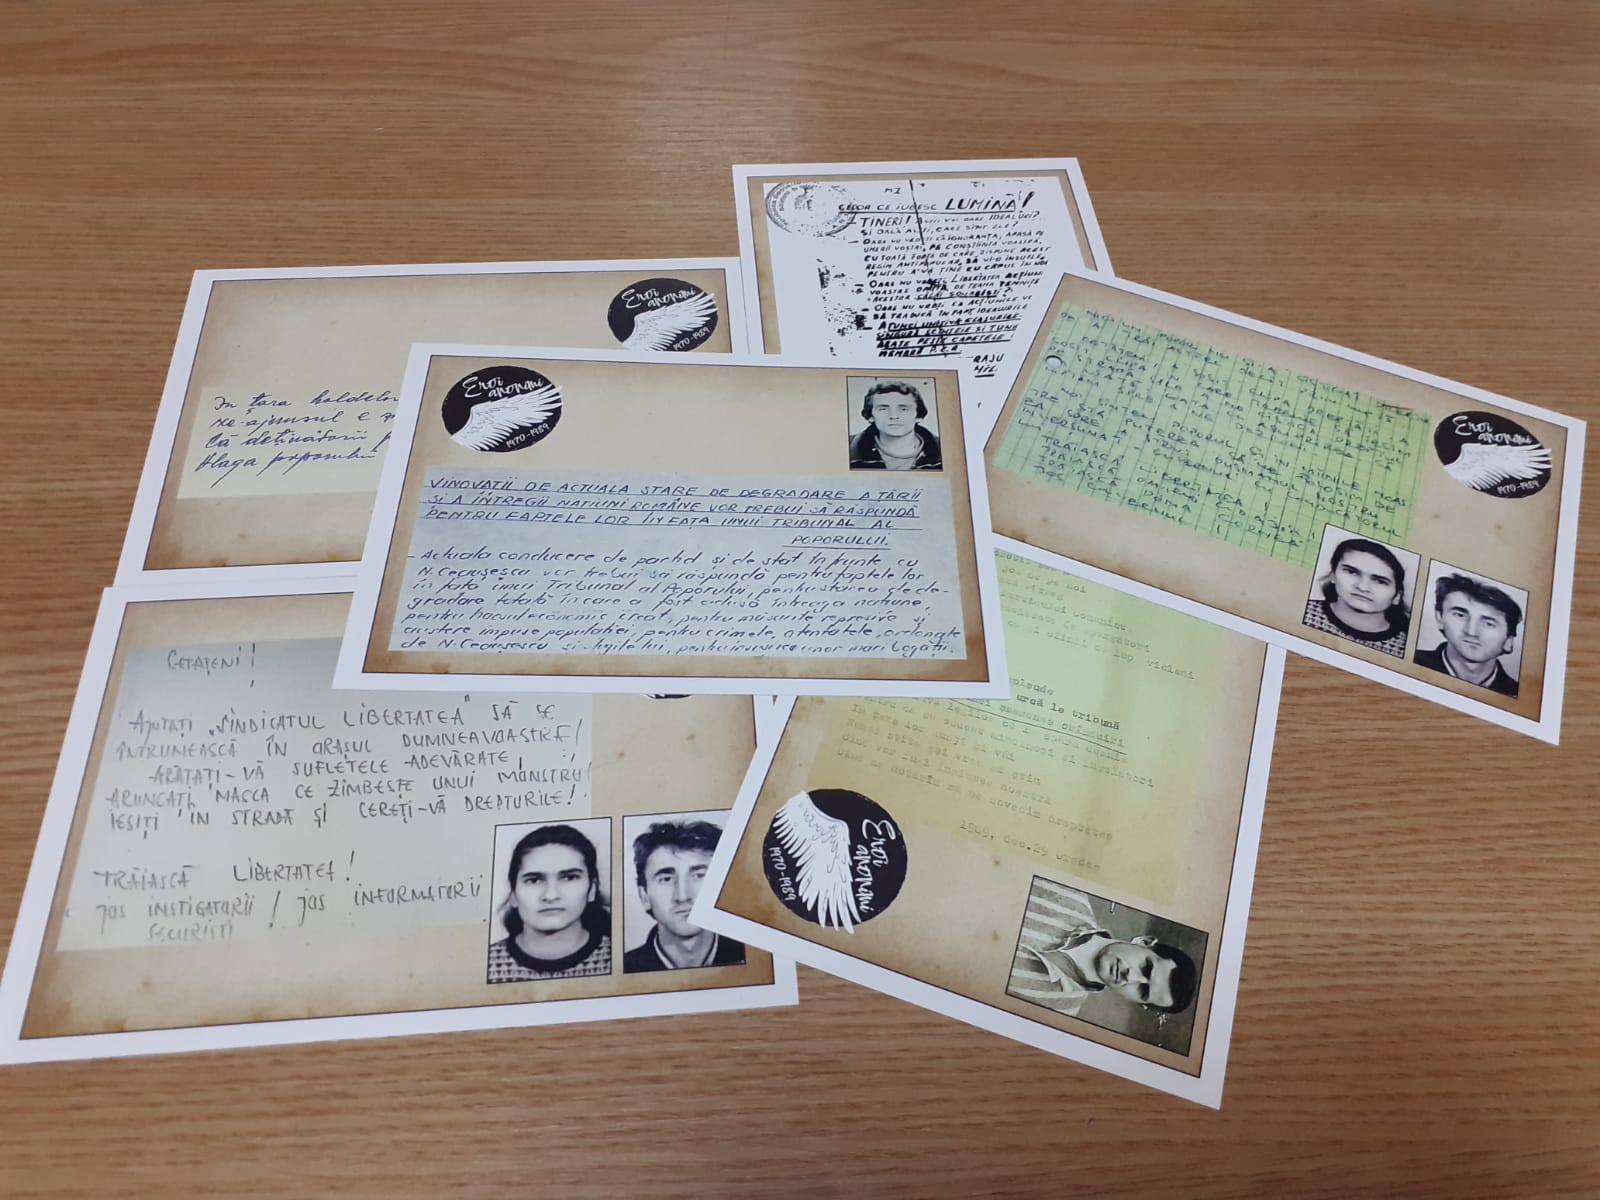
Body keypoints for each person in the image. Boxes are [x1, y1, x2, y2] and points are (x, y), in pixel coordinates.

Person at [1008, 880, 1198, 1020]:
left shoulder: (1058, 1012)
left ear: (1138, 1003)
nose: (1130, 977)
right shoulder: (1069, 891)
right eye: (1146, 967)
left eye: (1143, 990)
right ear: (1144, 942)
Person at [487, 824, 612, 983]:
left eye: (569, 878)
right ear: (513, 893)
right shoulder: (486, 965)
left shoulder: (616, 958)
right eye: (534, 880)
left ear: (592, 889)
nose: (551, 896)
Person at [624, 820, 746, 972]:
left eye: (699, 875)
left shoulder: (754, 956)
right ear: (644, 897)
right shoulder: (626, 969)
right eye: (666, 879)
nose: (682, 896)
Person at [1413, 572, 1522, 697]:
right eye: (1460, 615)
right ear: (1439, 619)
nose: (1471, 632)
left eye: (1488, 624)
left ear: (1509, 640)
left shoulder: (1517, 695)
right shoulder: (1411, 663)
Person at [1301, 537, 1412, 657]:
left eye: (1380, 581)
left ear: (1397, 596)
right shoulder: (1302, 611)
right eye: (1351, 572)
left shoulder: (1404, 649)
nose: (1363, 587)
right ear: (1333, 575)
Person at [848, 381, 942, 471]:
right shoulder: (845, 448)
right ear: (870, 416)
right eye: (883, 409)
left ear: (918, 416)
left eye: (903, 409)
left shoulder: (945, 449)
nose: (893, 416)